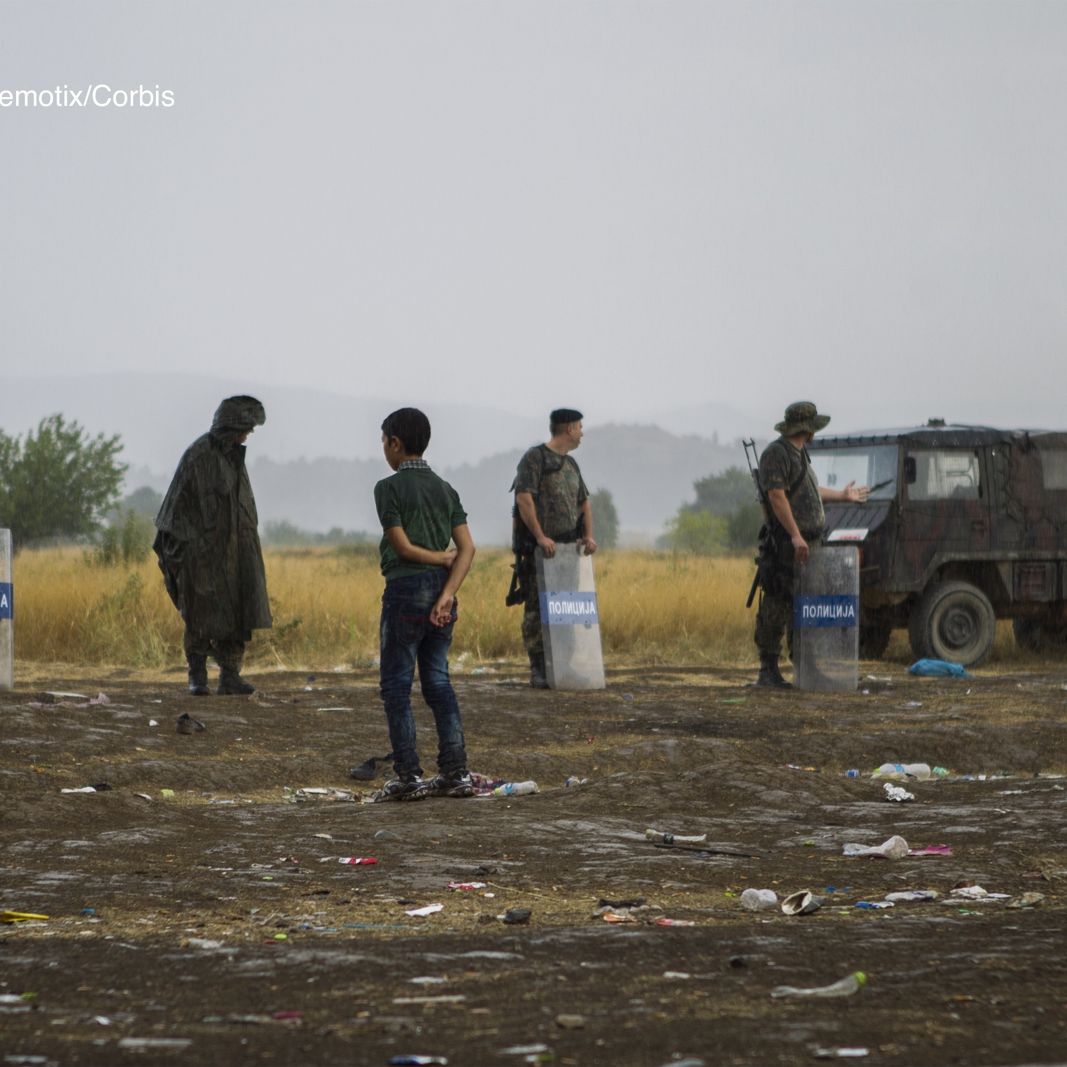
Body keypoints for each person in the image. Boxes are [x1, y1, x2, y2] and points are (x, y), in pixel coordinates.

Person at [371, 407, 477, 801]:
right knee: (438, 682)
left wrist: (436, 558)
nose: (384, 449)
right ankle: (456, 772)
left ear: (395, 443)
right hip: (442, 594)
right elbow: (467, 549)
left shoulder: (388, 488)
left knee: (397, 687)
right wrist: (447, 594)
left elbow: (401, 547)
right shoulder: (445, 489)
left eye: (384, 442)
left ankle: (409, 776)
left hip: (405, 591)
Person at [154, 396, 272, 696]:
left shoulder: (234, 457)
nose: (248, 435)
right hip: (202, 557)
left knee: (238, 613)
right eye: (244, 429)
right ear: (230, 427)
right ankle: (197, 675)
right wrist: (190, 555)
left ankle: (230, 675)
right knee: (200, 617)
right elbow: (173, 515)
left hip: (236, 552)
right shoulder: (198, 456)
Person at [754, 400, 868, 688]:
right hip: (787, 545)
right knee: (778, 602)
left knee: (804, 605)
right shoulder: (777, 453)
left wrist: (842, 495)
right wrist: (795, 535)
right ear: (807, 429)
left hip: (808, 544)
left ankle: (806, 666)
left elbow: (809, 491)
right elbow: (776, 496)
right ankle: (768, 669)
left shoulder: (799, 454)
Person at [509, 408, 597, 688]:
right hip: (541, 554)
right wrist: (540, 537)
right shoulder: (535, 458)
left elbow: (583, 502)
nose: (582, 433)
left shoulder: (571, 465)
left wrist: (588, 536)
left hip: (568, 551)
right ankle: (539, 669)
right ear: (569, 428)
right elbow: (524, 499)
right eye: (579, 427)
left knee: (566, 609)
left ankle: (563, 666)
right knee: (537, 611)